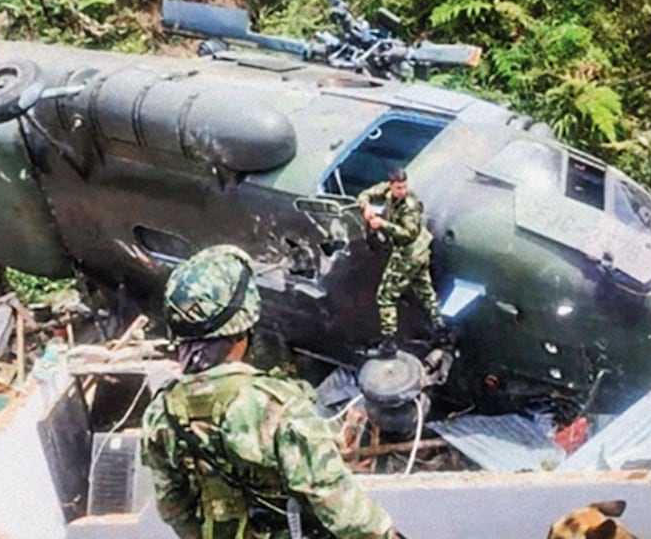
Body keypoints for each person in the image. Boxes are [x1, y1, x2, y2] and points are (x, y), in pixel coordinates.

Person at [142, 245, 399, 539]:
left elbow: (174, 510)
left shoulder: (162, 410)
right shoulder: (277, 405)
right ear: (245, 321)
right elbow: (346, 515)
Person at [356, 167, 446, 354]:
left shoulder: (410, 205)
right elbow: (366, 194)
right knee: (424, 289)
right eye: (398, 187)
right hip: (419, 252)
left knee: (386, 296)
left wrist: (382, 224)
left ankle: (389, 343)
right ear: (391, 185)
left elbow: (408, 234)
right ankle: (440, 327)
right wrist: (366, 206)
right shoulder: (387, 191)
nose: (402, 191)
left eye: (404, 187)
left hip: (410, 253)